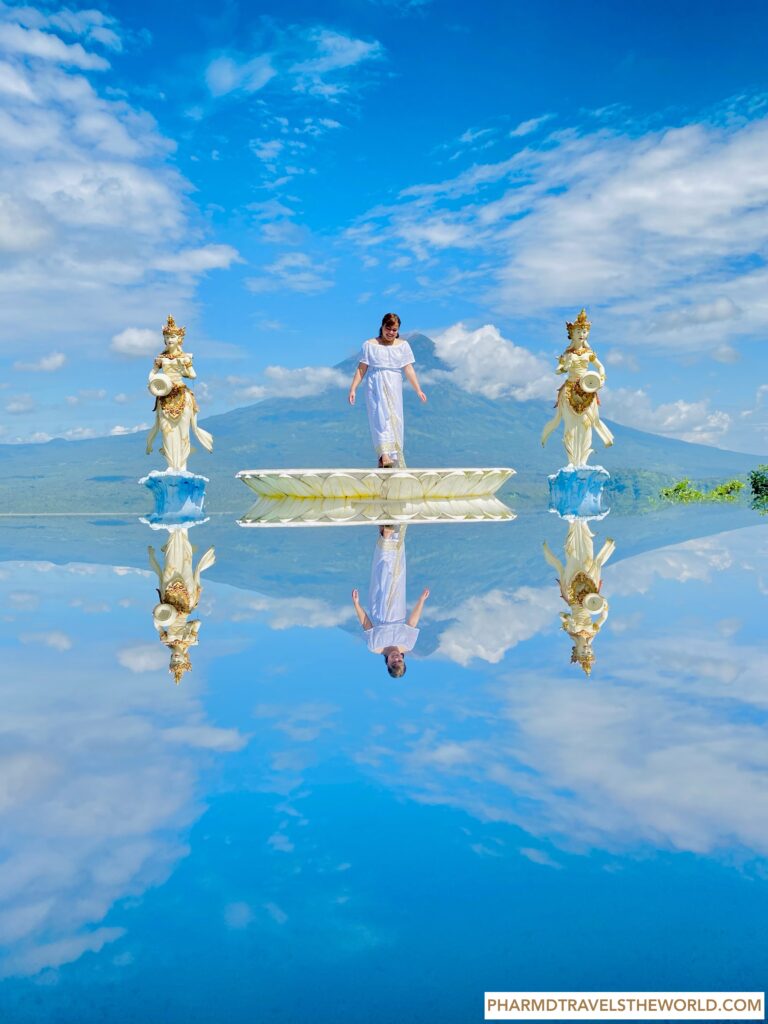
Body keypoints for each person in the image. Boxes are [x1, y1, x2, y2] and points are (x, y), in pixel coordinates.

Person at [348, 312, 426, 468]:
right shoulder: (370, 345)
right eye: (388, 328)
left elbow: (408, 368)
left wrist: (418, 389)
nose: (390, 333)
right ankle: (384, 455)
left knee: (395, 419)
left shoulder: (403, 346)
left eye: (394, 330)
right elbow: (362, 369)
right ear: (382, 327)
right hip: (375, 385)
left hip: (394, 385)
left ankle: (389, 458)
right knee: (379, 417)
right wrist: (353, 388)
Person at [351, 525, 429, 677]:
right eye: (400, 661)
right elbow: (412, 623)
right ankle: (390, 534)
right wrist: (421, 600)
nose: (396, 658)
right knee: (397, 572)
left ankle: (386, 535)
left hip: (378, 607)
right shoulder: (407, 644)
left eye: (393, 662)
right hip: (397, 605)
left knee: (380, 573)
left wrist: (357, 604)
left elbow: (366, 624)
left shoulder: (374, 647)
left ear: (387, 663)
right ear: (403, 660)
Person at [541, 308, 614, 467]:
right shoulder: (567, 354)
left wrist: (601, 379)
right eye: (579, 331)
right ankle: (572, 461)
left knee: (587, 425)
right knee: (570, 426)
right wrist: (565, 367)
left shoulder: (589, 353)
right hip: (569, 391)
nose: (582, 334)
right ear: (572, 334)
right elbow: (557, 370)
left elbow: (601, 367)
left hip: (587, 389)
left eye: (584, 331)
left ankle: (583, 461)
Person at [146, 315, 213, 473]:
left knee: (183, 430)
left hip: (181, 395)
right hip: (164, 395)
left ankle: (182, 464)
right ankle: (171, 464)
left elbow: (193, 375)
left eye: (173, 336)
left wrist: (185, 366)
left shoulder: (184, 357)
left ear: (179, 339)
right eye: (167, 337)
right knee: (166, 431)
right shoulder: (161, 358)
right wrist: (155, 382)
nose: (170, 339)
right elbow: (151, 375)